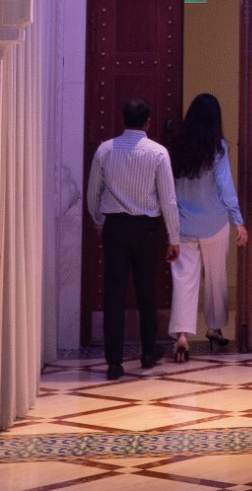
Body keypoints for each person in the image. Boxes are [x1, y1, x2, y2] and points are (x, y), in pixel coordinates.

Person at [87, 99, 180, 379]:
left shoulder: (105, 150)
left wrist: (99, 221)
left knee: (113, 293)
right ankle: (148, 352)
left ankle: (114, 362)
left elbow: (93, 193)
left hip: (115, 227)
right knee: (146, 290)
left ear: (123, 119)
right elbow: (168, 199)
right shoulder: (158, 153)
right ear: (148, 122)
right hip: (146, 229)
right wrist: (174, 237)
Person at [166, 93, 246, 361]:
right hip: (214, 222)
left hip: (184, 224)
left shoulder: (177, 146)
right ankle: (214, 328)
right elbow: (225, 184)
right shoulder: (218, 147)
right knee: (216, 277)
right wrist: (238, 220)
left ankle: (182, 336)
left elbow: (170, 187)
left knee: (183, 280)